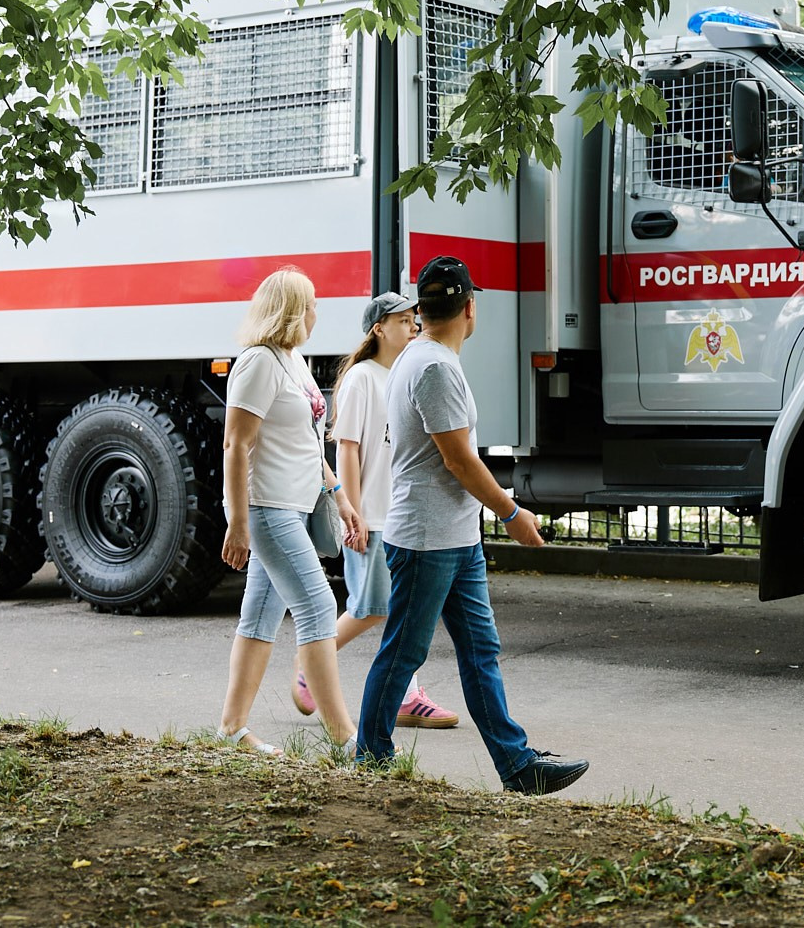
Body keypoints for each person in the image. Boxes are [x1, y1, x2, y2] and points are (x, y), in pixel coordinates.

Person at [357, 255, 588, 795]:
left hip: (453, 537)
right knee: (405, 651)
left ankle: (517, 765)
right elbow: (459, 460)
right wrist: (510, 513)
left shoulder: (420, 356)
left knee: (480, 649)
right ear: (469, 308)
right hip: (426, 539)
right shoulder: (433, 367)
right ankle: (371, 758)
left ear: (422, 310)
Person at [290, 292, 460, 730]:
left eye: (414, 320)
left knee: (400, 608)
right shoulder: (363, 378)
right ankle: (311, 661)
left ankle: (407, 696)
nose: (413, 327)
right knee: (370, 607)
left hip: (402, 515)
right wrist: (355, 512)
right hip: (371, 516)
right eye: (403, 321)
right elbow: (348, 448)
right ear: (378, 329)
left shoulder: (407, 374)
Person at [216, 268, 364, 755]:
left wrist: (338, 493)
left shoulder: (292, 360)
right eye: (311, 303)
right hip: (268, 508)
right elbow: (236, 444)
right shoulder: (258, 362)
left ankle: (232, 729)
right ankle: (345, 740)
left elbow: (307, 440)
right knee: (319, 606)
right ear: (291, 310)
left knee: (260, 616)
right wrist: (237, 522)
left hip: (297, 504)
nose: (317, 312)